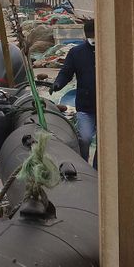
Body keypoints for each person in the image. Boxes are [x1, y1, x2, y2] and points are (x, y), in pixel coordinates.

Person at [52, 18, 96, 163]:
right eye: (91, 36)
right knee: (84, 138)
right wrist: (58, 83)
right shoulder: (77, 53)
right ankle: (83, 164)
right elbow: (66, 72)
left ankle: (98, 170)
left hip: (108, 108)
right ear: (86, 35)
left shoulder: (111, 51)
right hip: (86, 106)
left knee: (106, 145)